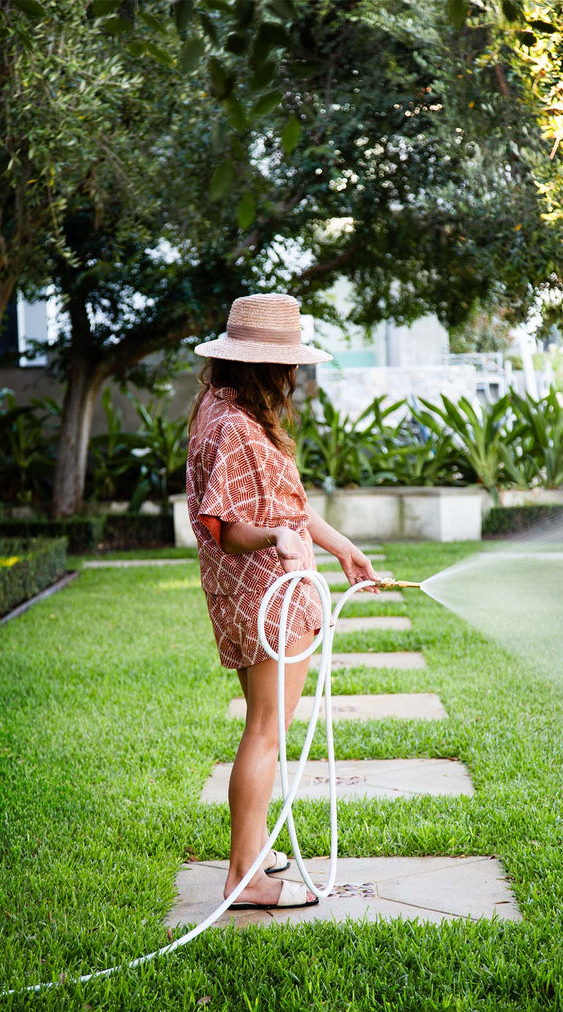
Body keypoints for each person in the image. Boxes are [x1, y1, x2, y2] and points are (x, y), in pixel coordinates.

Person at [186, 293, 380, 911]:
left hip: (253, 596)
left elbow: (284, 506)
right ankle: (246, 878)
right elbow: (228, 526)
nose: (296, 374)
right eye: (291, 363)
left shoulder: (221, 409)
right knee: (266, 731)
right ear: (272, 367)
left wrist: (341, 546)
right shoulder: (238, 426)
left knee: (264, 727)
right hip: (267, 596)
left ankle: (254, 851)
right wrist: (277, 538)